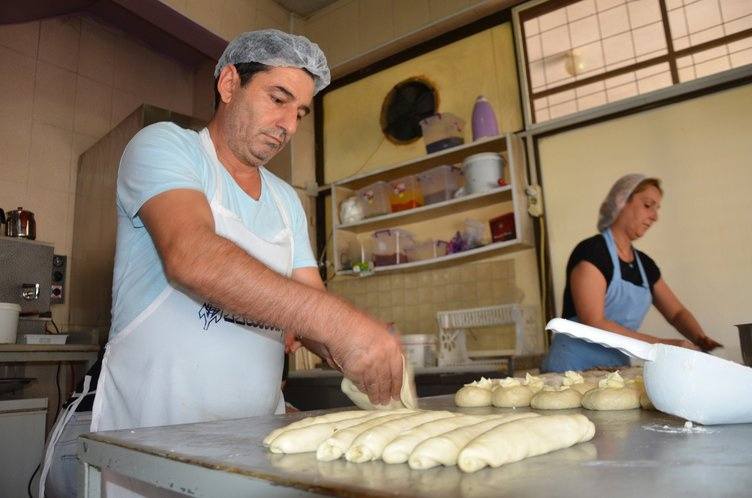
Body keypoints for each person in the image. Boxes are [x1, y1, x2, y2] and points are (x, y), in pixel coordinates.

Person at [41, 29, 404, 497]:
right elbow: (192, 256)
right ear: (230, 84)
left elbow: (312, 311)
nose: (289, 125)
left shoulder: (284, 200)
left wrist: (362, 346)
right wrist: (342, 324)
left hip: (253, 450)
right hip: (149, 446)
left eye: (300, 112)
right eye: (278, 99)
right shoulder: (167, 148)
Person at [541, 173, 722, 373]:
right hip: (570, 368)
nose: (655, 216)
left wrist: (699, 338)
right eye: (648, 205)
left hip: (614, 367)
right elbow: (594, 322)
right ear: (621, 201)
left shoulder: (644, 265)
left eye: (657, 208)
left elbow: (676, 313)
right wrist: (661, 345)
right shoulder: (593, 252)